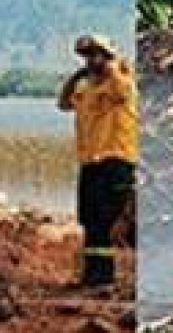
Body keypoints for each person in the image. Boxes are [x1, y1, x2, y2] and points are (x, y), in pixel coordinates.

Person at [58, 34, 138, 288]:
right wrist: (75, 77)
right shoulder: (87, 89)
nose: (92, 61)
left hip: (116, 159)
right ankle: (93, 276)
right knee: (90, 220)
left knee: (109, 221)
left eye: (96, 55)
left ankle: (107, 278)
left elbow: (123, 91)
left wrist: (111, 65)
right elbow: (63, 104)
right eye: (87, 56)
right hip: (90, 162)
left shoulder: (121, 83)